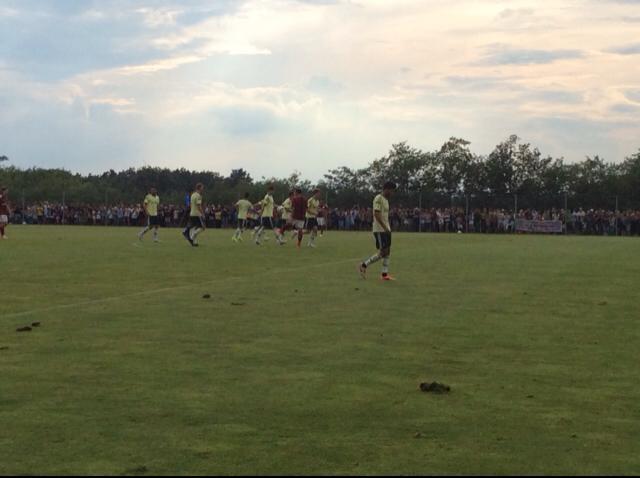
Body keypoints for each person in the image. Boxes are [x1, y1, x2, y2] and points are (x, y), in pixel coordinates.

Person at [359, 181, 397, 281]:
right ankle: (364, 265)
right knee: (383, 252)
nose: (392, 193)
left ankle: (384, 274)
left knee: (387, 251)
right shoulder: (378, 198)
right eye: (392, 191)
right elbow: (376, 214)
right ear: (387, 189)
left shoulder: (386, 200)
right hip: (380, 229)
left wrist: (388, 228)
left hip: (386, 229)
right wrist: (384, 227)